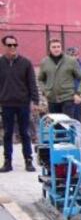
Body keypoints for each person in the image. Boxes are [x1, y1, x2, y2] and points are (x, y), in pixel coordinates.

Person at [0, 35, 39, 173]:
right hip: (6, 104)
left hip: (23, 103)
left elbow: (32, 83)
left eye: (15, 45)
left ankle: (28, 161)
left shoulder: (26, 63)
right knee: (7, 134)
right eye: (9, 45)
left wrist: (35, 101)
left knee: (25, 133)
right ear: (4, 46)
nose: (12, 48)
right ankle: (7, 162)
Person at [37, 39, 81, 115]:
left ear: (61, 48)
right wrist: (45, 91)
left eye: (58, 47)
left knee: (66, 124)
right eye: (54, 47)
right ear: (49, 48)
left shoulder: (71, 61)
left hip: (68, 98)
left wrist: (79, 93)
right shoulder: (44, 62)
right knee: (56, 124)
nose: (56, 49)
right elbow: (40, 79)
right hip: (52, 99)